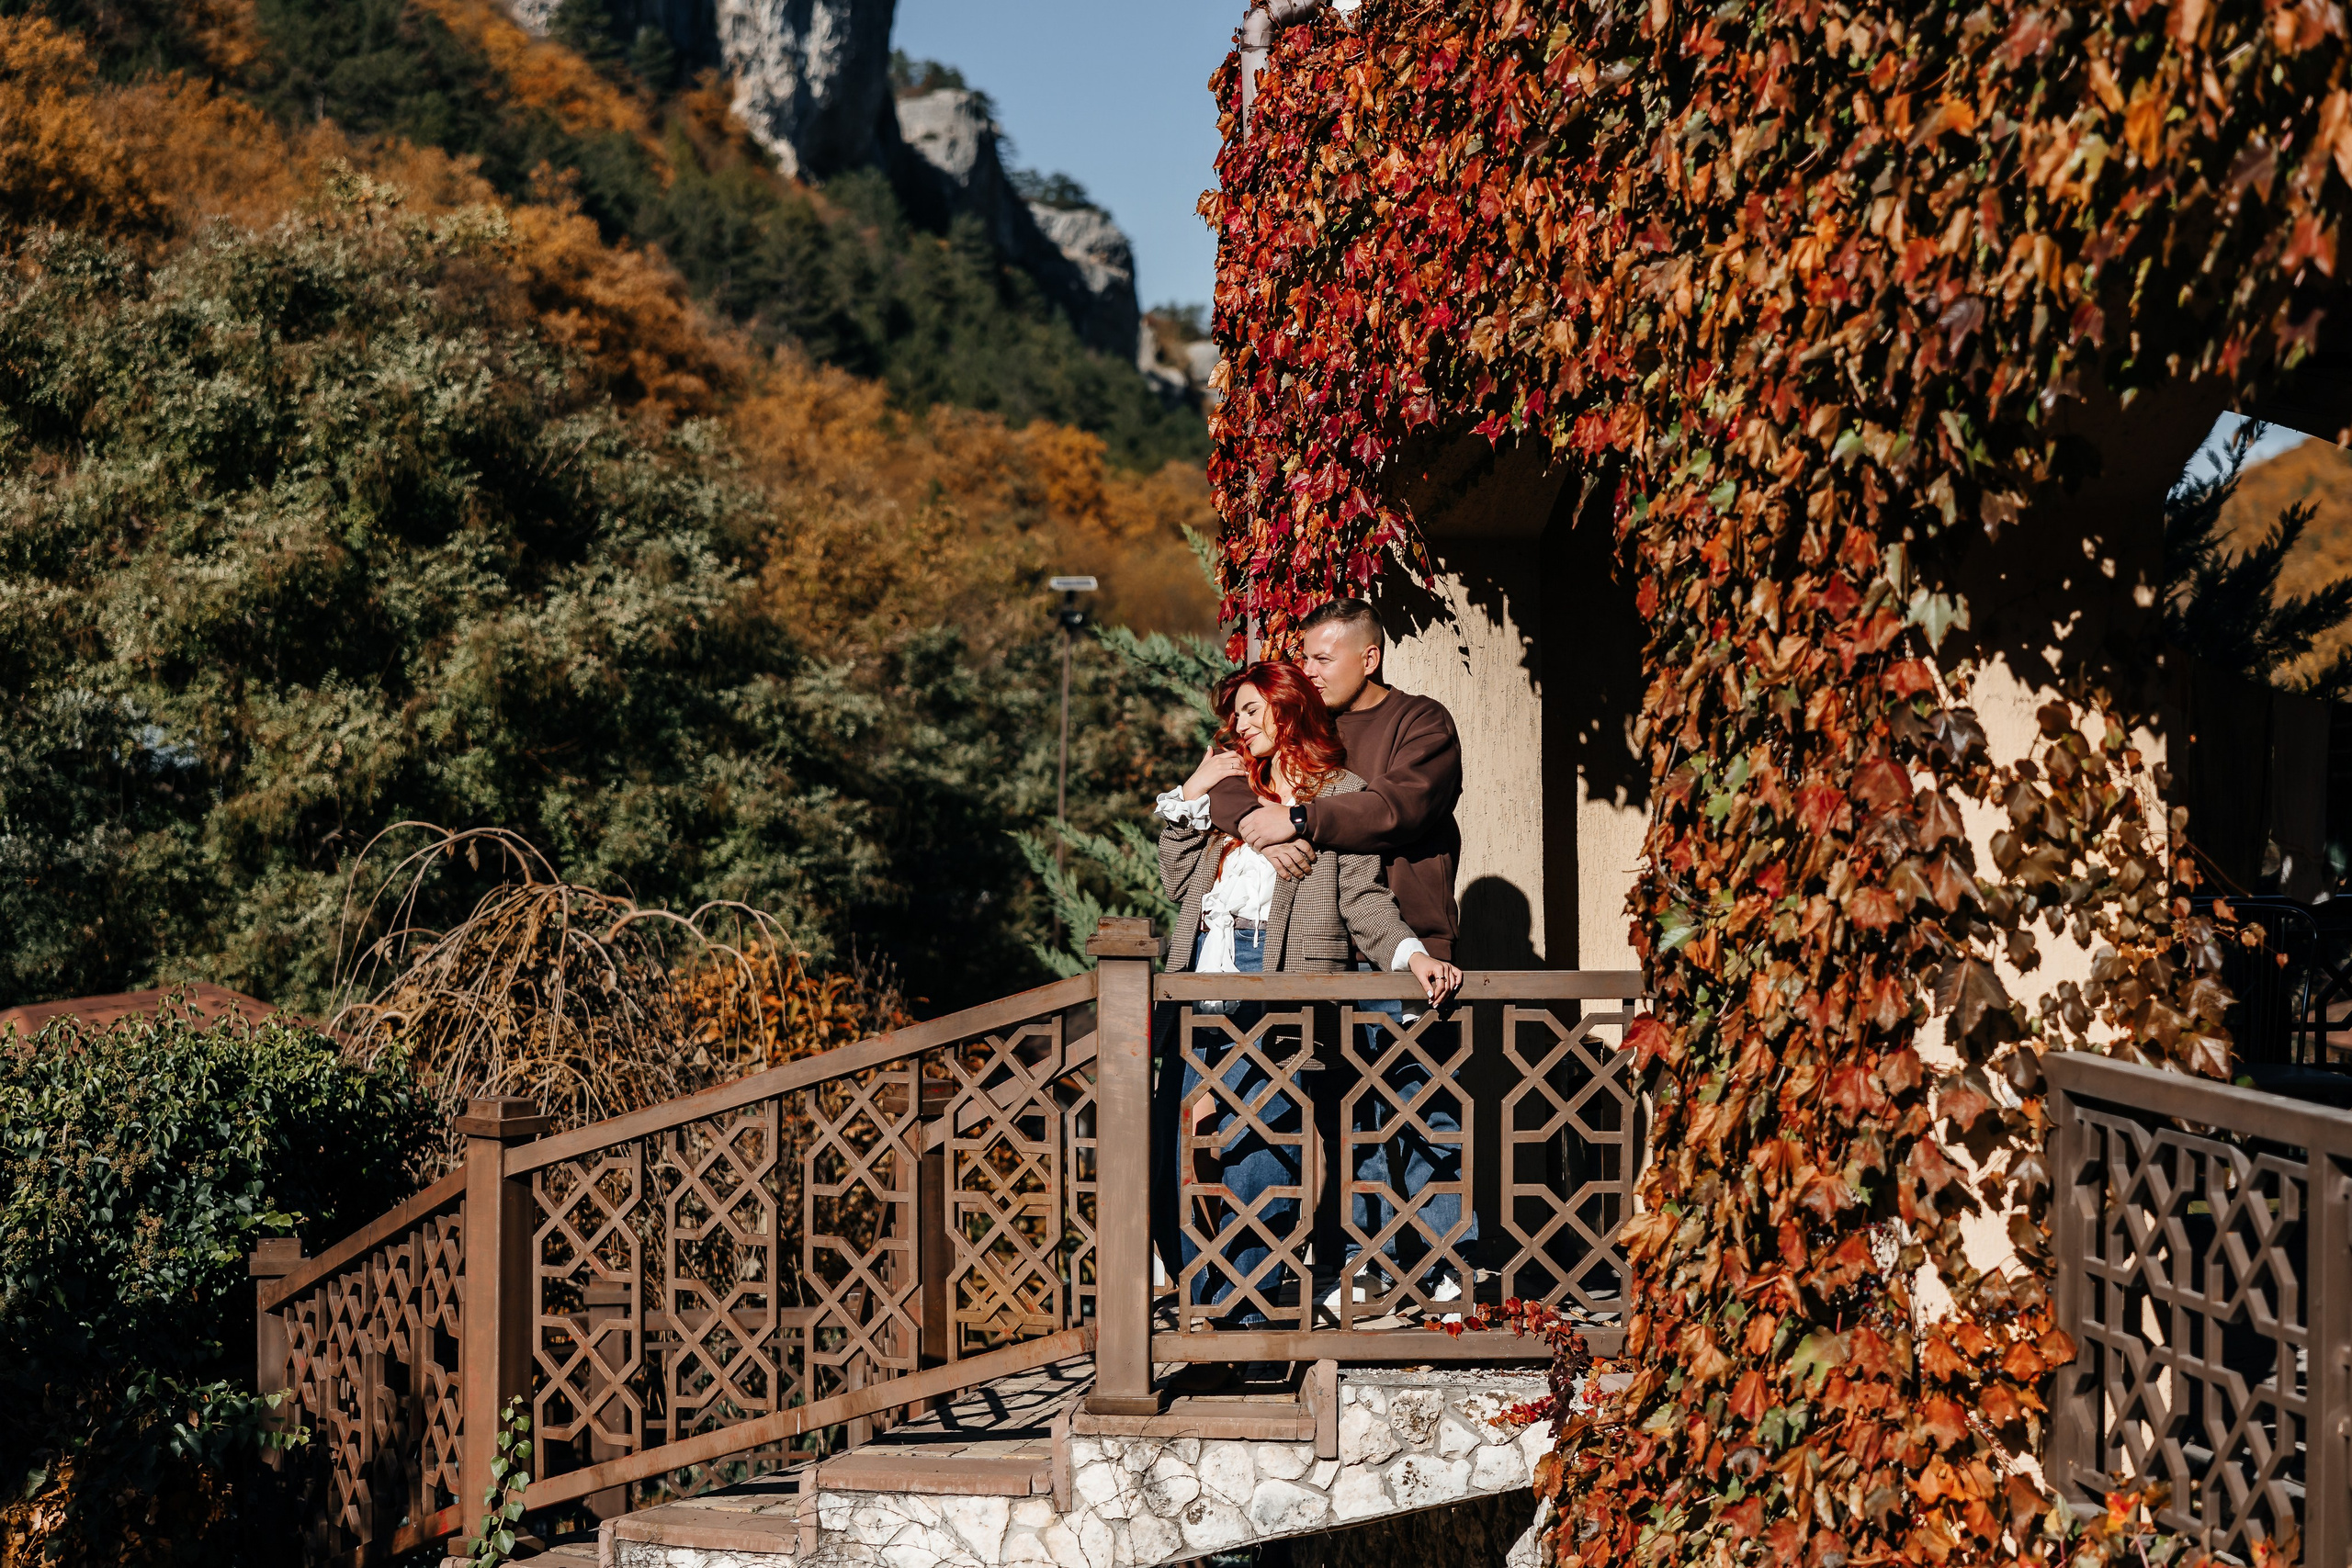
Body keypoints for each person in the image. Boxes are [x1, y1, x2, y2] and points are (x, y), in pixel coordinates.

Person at [1150, 660, 1460, 1326]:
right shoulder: (1234, 790)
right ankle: (1201, 1303)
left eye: (1252, 710)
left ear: (1289, 711)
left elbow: (1367, 906)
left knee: (1255, 1147)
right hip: (1199, 972)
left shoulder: (1339, 797)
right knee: (1179, 1149)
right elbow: (1178, 880)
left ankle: (1250, 1317)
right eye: (1234, 713)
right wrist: (1195, 788)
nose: (1238, 724)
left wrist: (1414, 956)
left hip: (1275, 979)